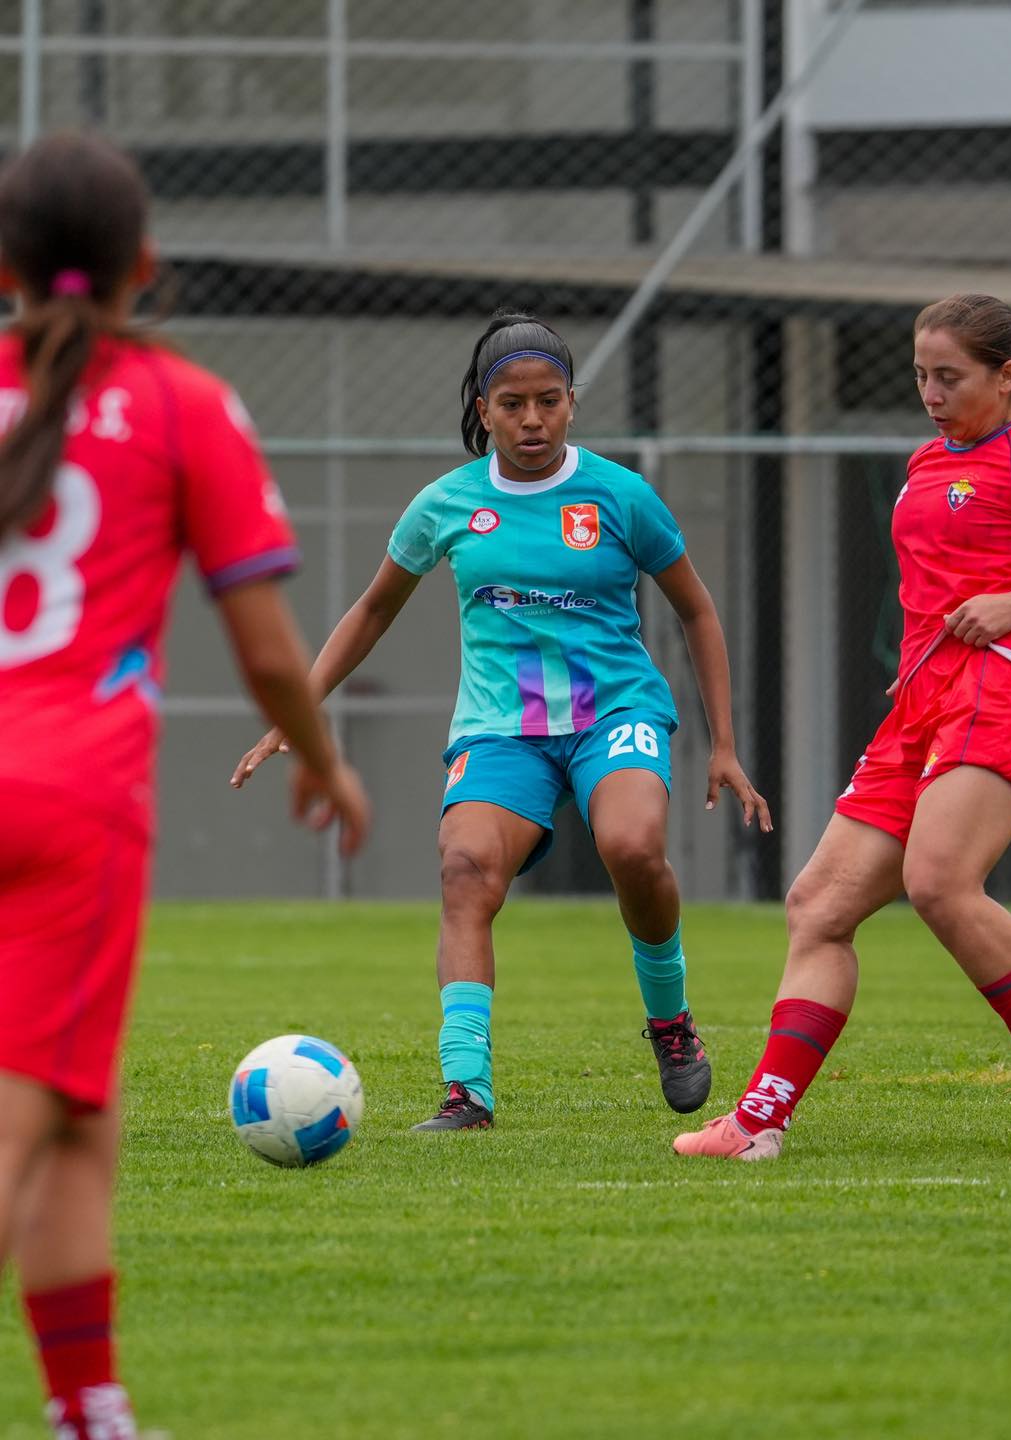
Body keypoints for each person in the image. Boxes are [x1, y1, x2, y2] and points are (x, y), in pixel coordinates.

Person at [0, 132, 370, 1439]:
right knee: (28, 1110)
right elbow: (268, 648)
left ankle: (88, 1410)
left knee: (78, 1113)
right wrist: (325, 769)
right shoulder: (179, 403)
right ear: (144, 266)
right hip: (66, 800)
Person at [235, 311, 770, 1131]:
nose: (532, 420)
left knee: (632, 847)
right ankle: (467, 1091)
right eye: (513, 403)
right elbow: (374, 610)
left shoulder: (621, 496)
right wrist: (295, 710)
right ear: (483, 407)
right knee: (465, 870)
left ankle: (671, 1021)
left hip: (615, 710)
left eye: (549, 402)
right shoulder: (446, 504)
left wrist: (724, 744)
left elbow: (696, 610)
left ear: (571, 403)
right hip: (501, 727)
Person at [675, 291, 1011, 1163]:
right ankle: (758, 1122)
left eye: (950, 377)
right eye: (921, 376)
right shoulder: (930, 461)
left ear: (1008, 377)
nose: (930, 393)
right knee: (818, 907)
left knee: (940, 883)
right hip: (922, 707)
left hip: (1007, 691)